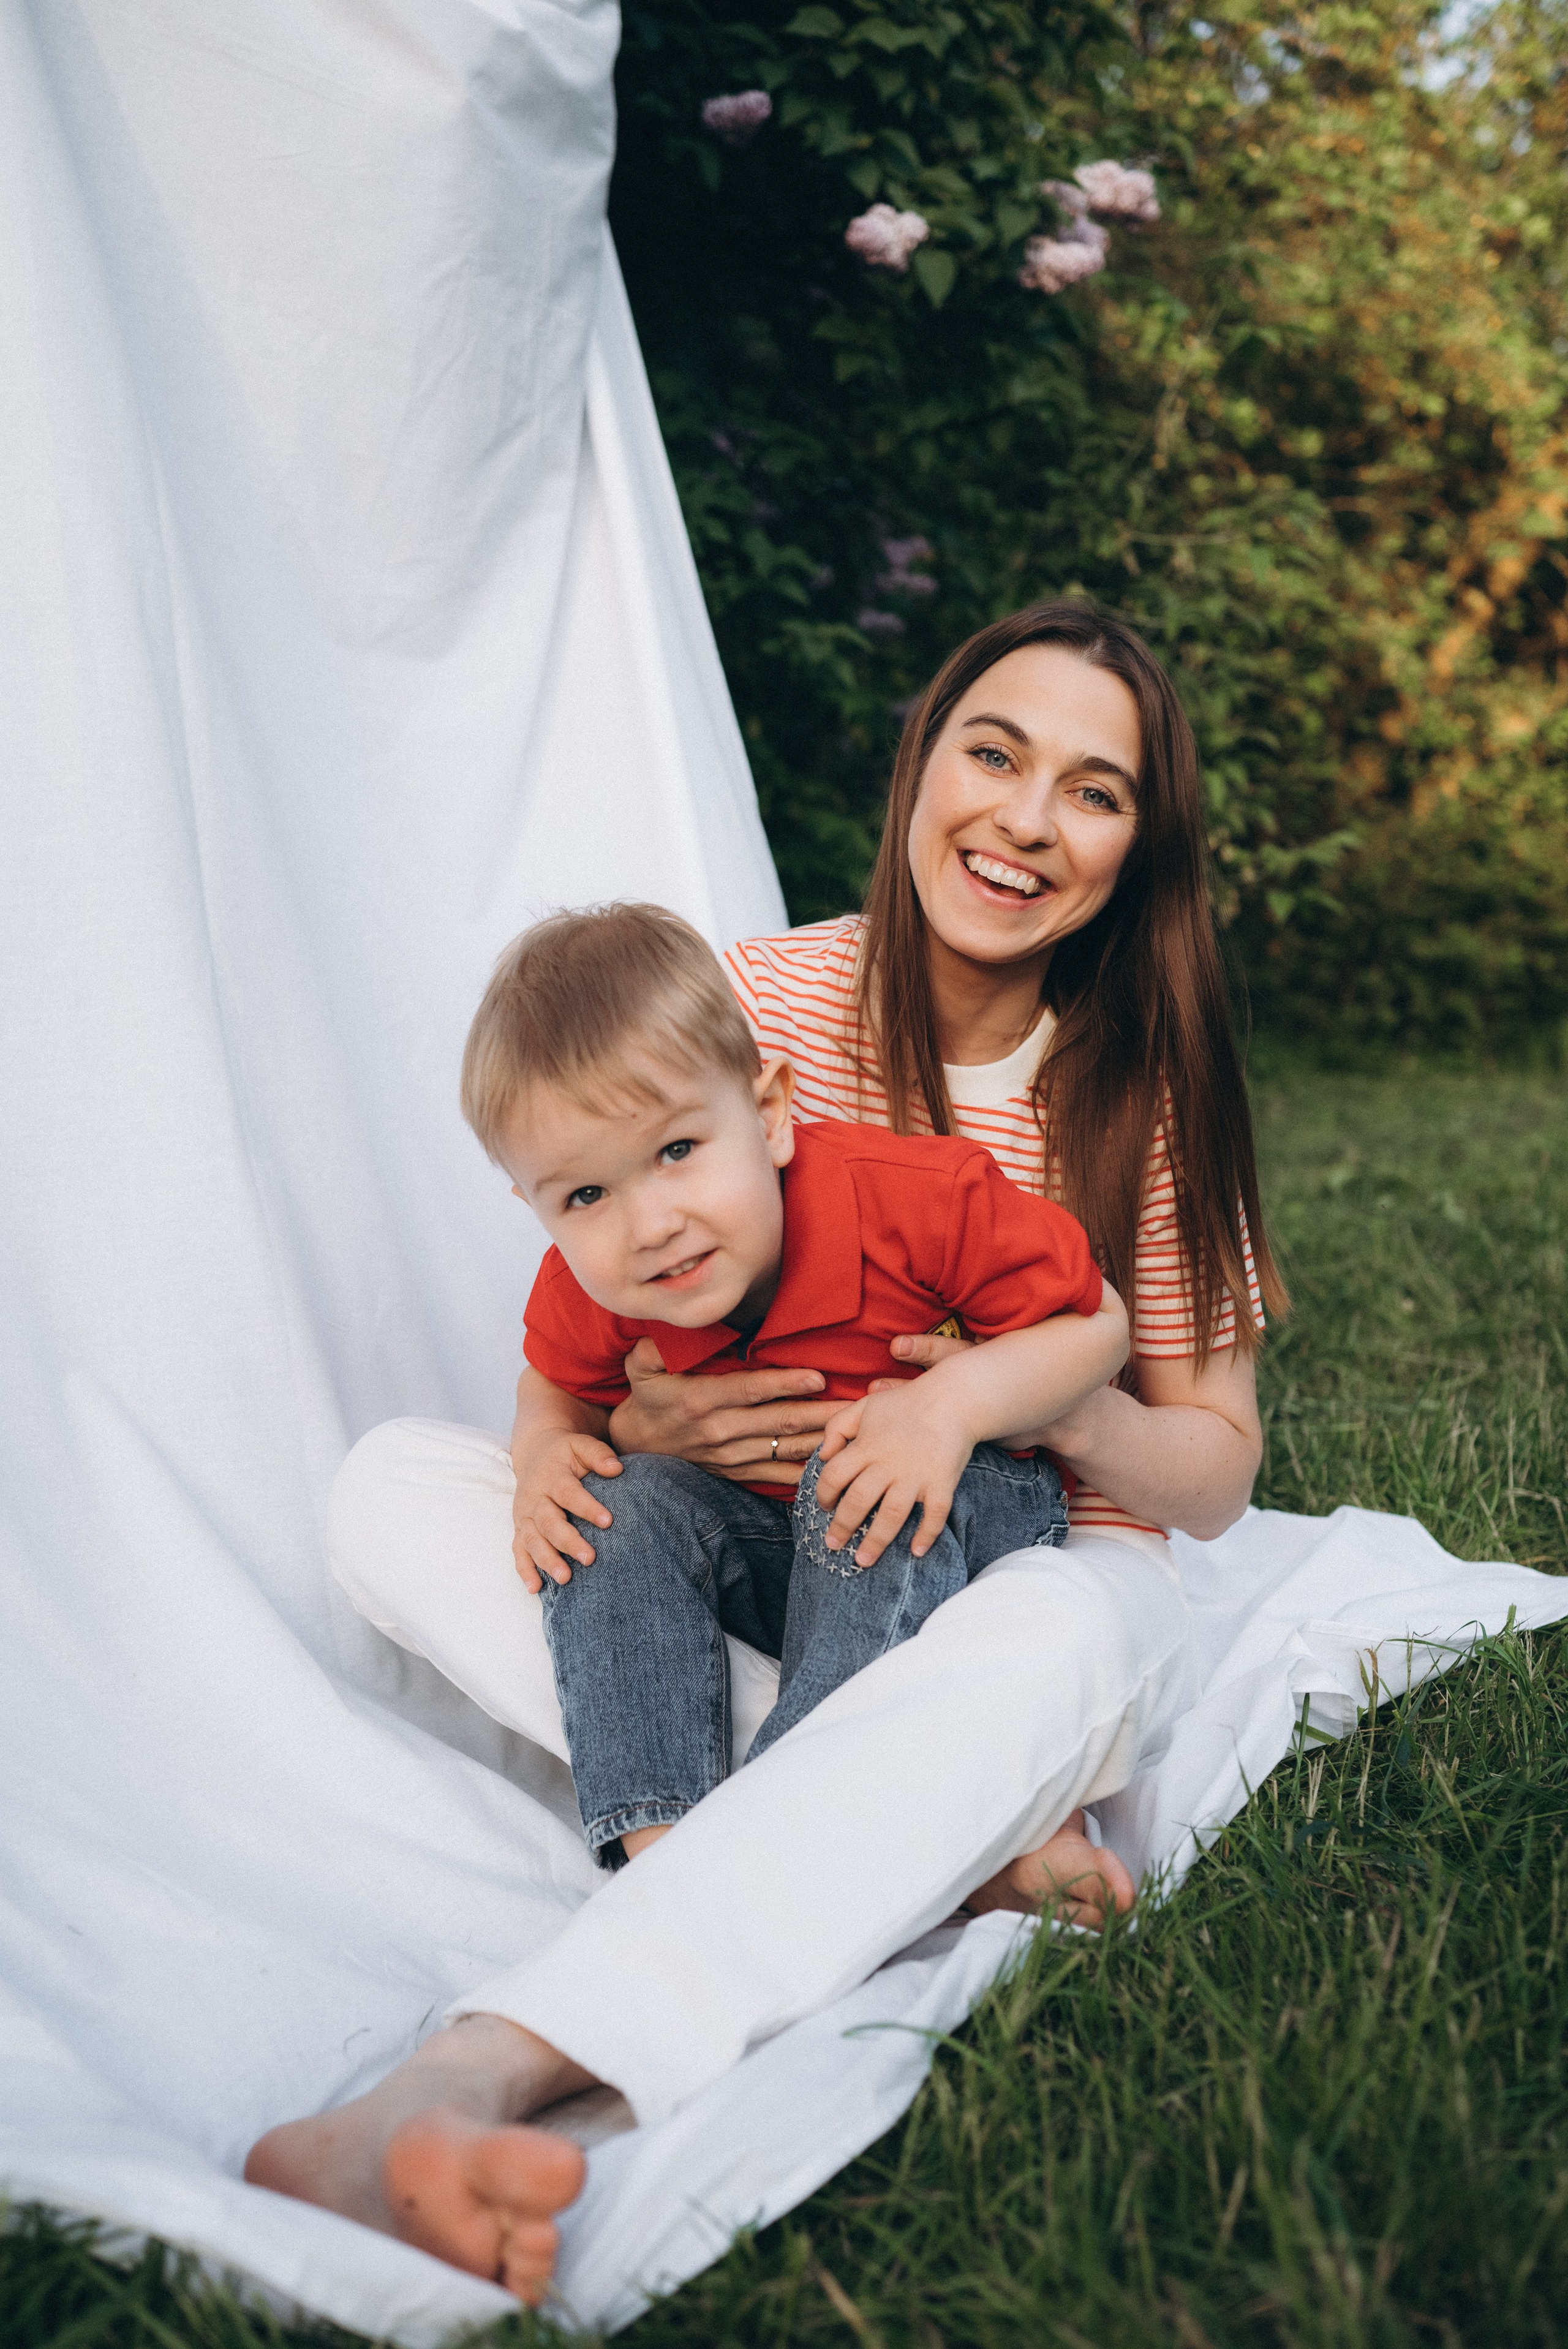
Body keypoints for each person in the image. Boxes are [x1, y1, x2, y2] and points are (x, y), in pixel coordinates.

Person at [247, 600, 1286, 2304]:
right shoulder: (758, 995)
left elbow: (1220, 1467)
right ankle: (931, 1829)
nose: (1028, 818)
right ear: (923, 762)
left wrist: (990, 1400)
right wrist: (634, 1431)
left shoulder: (1146, 1092)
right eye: (996, 753)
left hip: (1033, 1567)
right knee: (395, 1490)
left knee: (1053, 1643)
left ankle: (463, 2081)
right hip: (733, 1544)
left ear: (1140, 846)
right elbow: (613, 1293)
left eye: (1094, 793)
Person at [464, 901, 1130, 1868]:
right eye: (586, 1195)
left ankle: (787, 1835)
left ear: (769, 1113)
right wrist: (542, 1453)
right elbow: (553, 1388)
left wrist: (949, 1408)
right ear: (533, 1205)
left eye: (677, 1151)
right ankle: (664, 1845)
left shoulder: (917, 1201)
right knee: (609, 1509)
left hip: (965, 1512)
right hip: (770, 1547)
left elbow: (1091, 1330)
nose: (649, 1224)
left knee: (856, 1474)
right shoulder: (590, 1283)